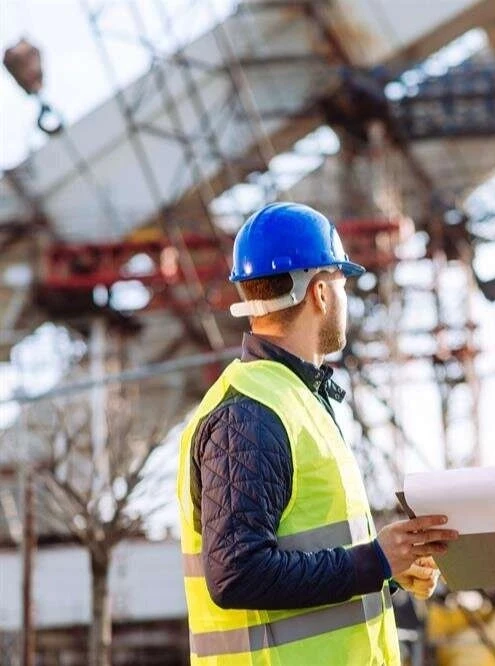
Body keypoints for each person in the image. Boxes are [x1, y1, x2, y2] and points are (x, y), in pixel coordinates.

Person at [176, 202, 457, 665]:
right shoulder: (250, 414)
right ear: (321, 293)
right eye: (343, 284)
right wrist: (376, 561)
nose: (345, 298)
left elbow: (306, 553)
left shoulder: (291, 399)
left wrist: (388, 571)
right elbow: (236, 574)